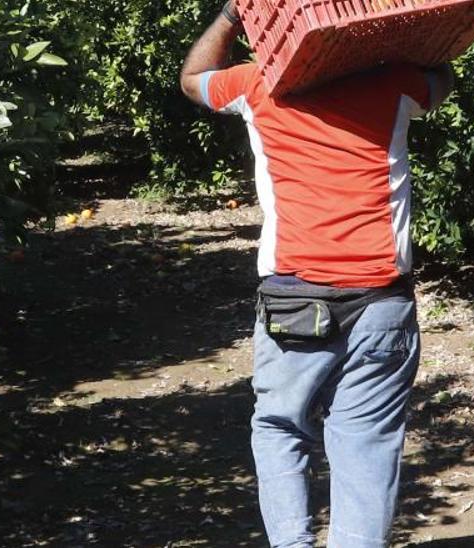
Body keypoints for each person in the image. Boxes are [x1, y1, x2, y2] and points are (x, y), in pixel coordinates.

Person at [180, 2, 453, 546]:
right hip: (381, 302)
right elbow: (444, 78)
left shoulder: (257, 85)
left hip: (293, 300)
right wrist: (403, 40)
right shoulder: (396, 85)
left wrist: (232, 15)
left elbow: (191, 80)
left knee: (279, 426)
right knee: (366, 441)